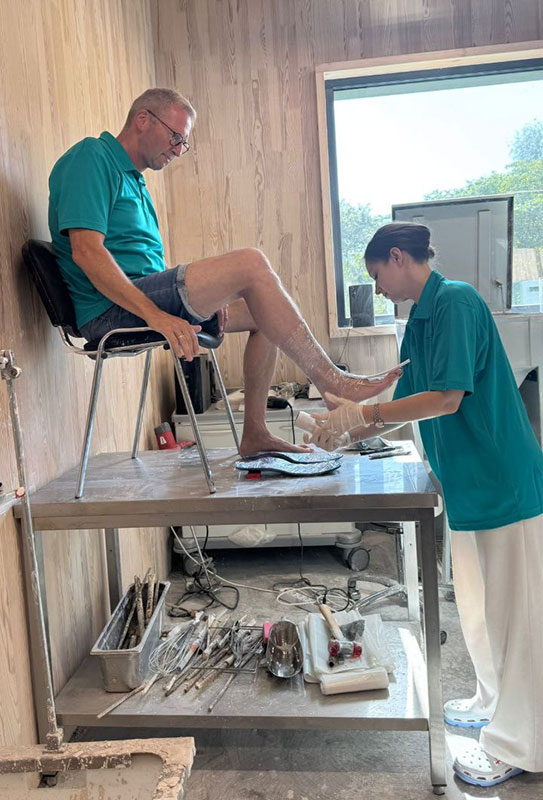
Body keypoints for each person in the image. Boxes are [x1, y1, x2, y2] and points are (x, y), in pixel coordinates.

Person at [307, 222, 543, 787]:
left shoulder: (456, 302)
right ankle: (493, 701)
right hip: (467, 485)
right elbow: (408, 402)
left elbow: (447, 398)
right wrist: (348, 424)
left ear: (397, 256)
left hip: (502, 482)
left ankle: (521, 743)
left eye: (376, 275)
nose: (377, 288)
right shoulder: (418, 320)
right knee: (479, 611)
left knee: (518, 621)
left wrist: (362, 416)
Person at [48, 88, 399, 457]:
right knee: (251, 263)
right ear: (143, 119)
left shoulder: (135, 181)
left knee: (265, 311)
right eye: (176, 137)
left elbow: (146, 269)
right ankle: (332, 383)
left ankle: (256, 435)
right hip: (108, 311)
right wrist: (159, 317)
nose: (178, 150)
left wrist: (208, 297)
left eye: (183, 144)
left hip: (140, 298)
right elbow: (87, 252)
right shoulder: (92, 157)